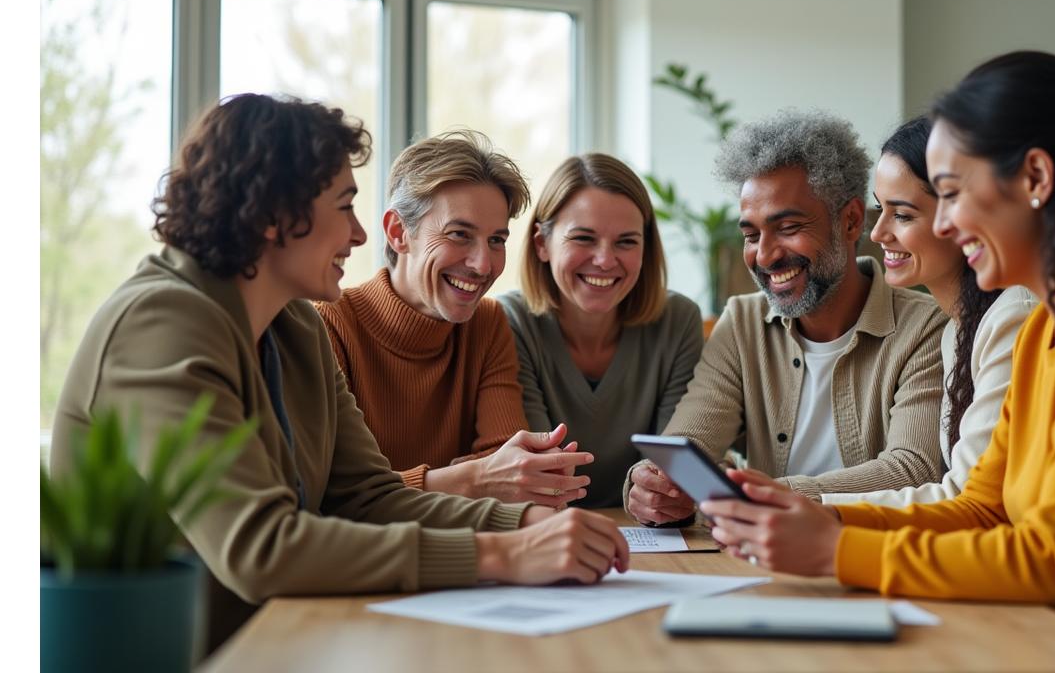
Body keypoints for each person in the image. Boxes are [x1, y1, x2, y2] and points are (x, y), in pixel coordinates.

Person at [700, 52, 1055, 668]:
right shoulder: (1046, 328)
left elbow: (1054, 562)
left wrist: (832, 551)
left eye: (951, 195)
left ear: (1036, 178)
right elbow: (983, 508)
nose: (947, 224)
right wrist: (820, 516)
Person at [50, 94, 629, 651]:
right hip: (173, 652)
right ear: (275, 213)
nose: (358, 234)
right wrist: (503, 554)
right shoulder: (160, 321)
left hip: (282, 637)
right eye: (344, 205)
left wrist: (522, 521)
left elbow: (368, 497)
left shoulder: (294, 326)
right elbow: (261, 549)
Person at [625, 109, 949, 526]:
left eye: (789, 226)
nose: (764, 255)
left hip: (865, 556)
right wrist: (652, 484)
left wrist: (769, 494)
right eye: (750, 234)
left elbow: (912, 471)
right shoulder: (742, 323)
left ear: (850, 221)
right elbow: (688, 443)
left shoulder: (926, 328)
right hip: (759, 557)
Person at [316, 130, 592, 508]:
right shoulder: (328, 325)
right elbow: (331, 494)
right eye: (459, 234)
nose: (483, 265)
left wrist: (423, 483)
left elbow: (509, 472)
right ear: (398, 232)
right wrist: (473, 477)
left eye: (497, 240)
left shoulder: (487, 323)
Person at [823, 116, 1037, 507]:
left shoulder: (1014, 317)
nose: (877, 233)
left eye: (902, 215)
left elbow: (968, 498)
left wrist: (813, 506)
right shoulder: (957, 330)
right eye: (880, 209)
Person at [498, 153, 704, 508]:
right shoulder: (509, 320)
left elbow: (674, 467)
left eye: (626, 241)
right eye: (583, 238)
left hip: (651, 535)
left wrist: (665, 495)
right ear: (541, 244)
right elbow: (541, 477)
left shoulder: (678, 320)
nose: (605, 260)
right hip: (547, 532)